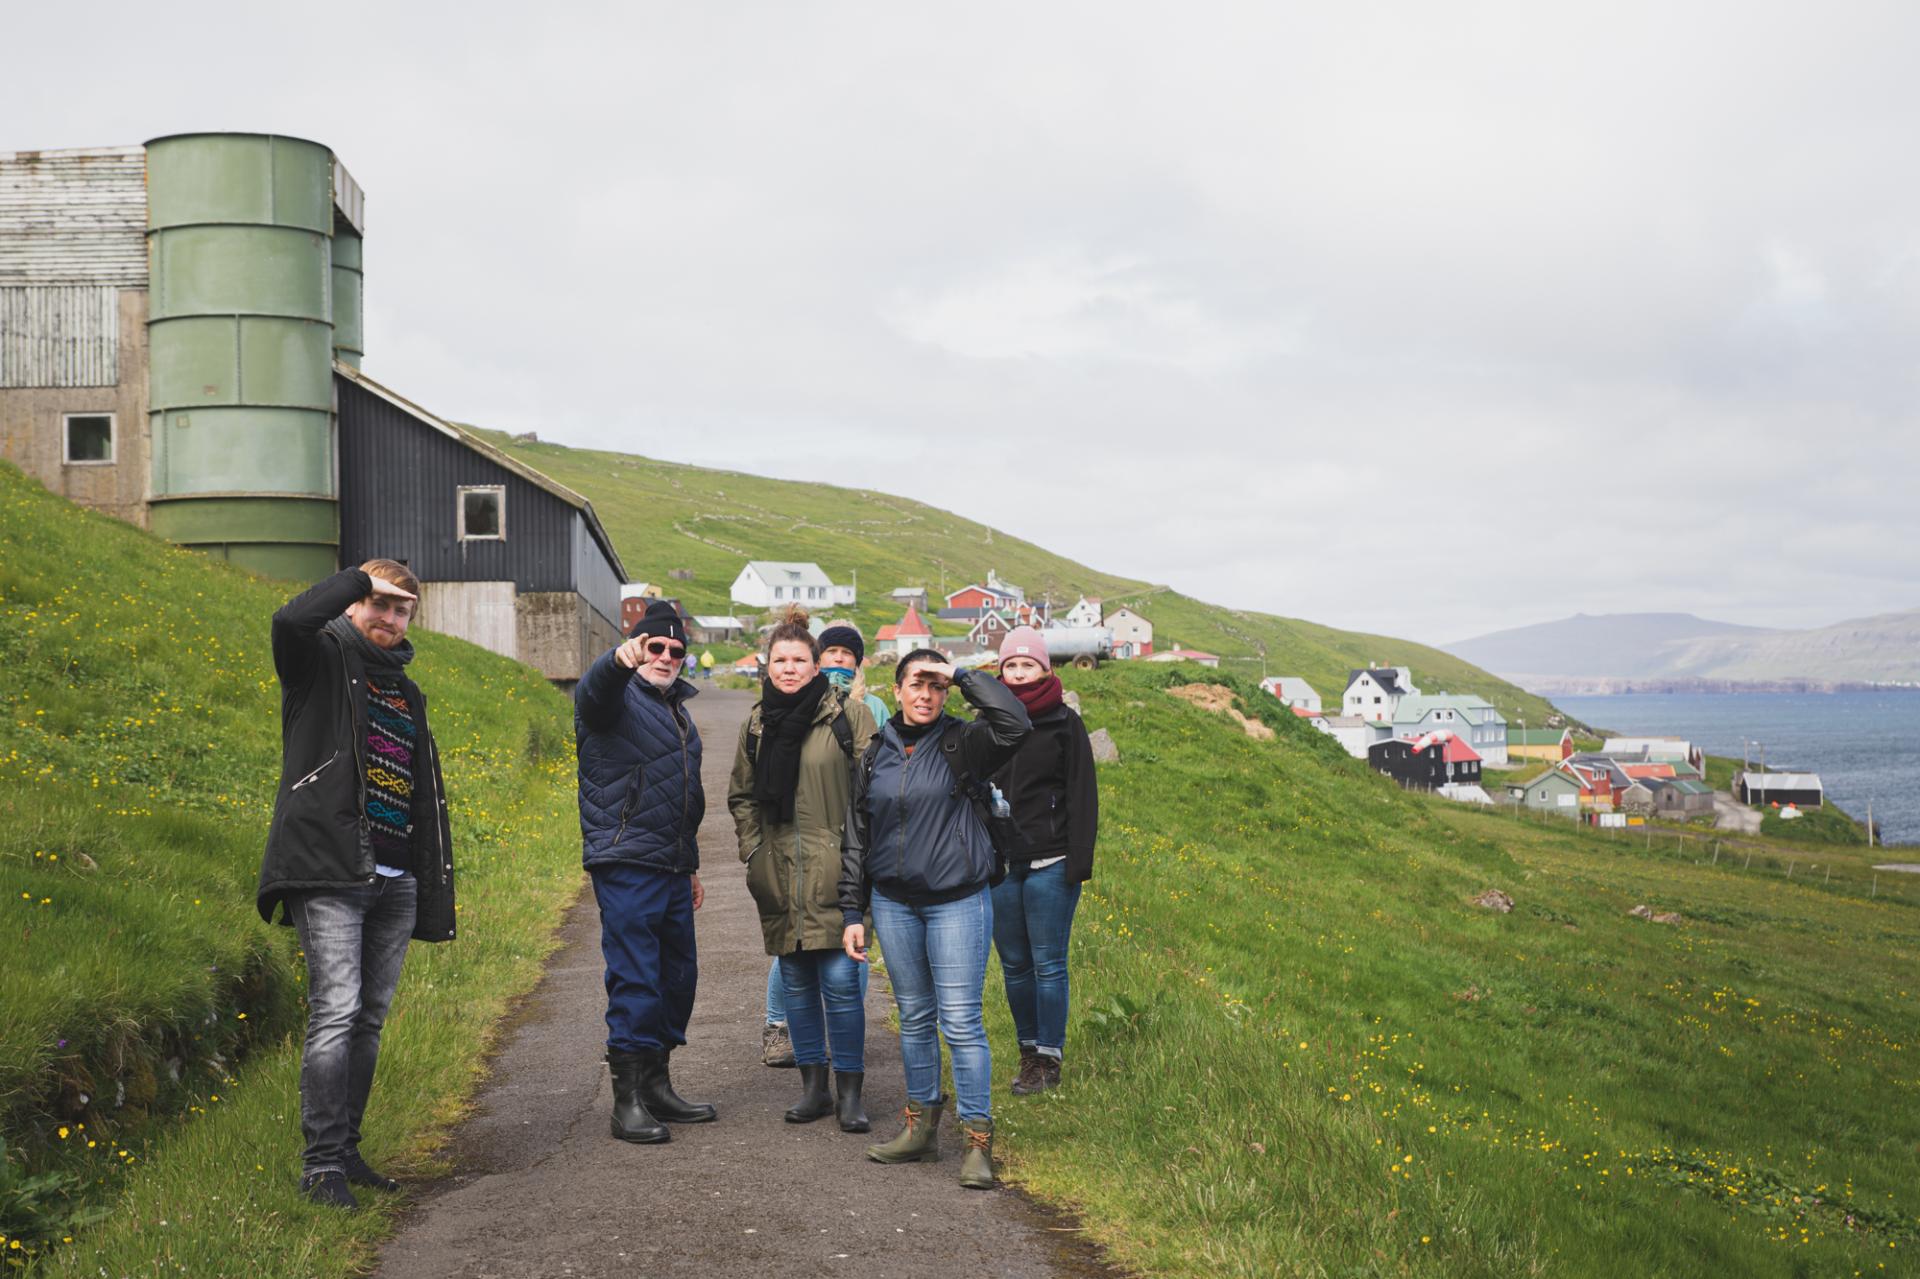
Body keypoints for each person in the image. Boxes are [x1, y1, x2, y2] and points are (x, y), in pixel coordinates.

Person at [255, 561, 456, 1210]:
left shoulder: (406, 690)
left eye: (402, 610)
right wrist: (354, 577)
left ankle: (345, 1150)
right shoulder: (316, 660)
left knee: (367, 1019)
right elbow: (289, 618)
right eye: (378, 603)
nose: (388, 618)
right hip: (331, 867)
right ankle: (319, 1168)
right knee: (336, 1010)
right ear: (350, 603)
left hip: (394, 878)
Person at [840, 649, 1030, 1189]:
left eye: (936, 685)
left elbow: (1016, 723)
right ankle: (920, 1130)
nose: (925, 694)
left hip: (957, 902)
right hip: (896, 905)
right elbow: (857, 837)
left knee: (962, 1022)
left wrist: (964, 675)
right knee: (915, 1018)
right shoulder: (874, 752)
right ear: (895, 690)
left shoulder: (965, 743)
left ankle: (977, 1142)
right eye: (915, 684)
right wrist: (854, 910)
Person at [729, 608, 879, 1131]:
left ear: (817, 665)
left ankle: (851, 1093)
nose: (788, 669)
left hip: (839, 870)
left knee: (841, 981)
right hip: (780, 873)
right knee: (795, 982)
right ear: (767, 666)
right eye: (779, 660)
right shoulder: (756, 722)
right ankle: (812, 1089)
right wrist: (755, 854)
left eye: (799, 660)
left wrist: (859, 856)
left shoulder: (848, 717)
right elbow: (742, 796)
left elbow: (873, 793)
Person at [575, 599, 715, 1144]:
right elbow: (593, 693)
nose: (665, 656)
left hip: (672, 863)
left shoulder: (677, 710)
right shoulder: (616, 698)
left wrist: (692, 866)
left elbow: (684, 795)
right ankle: (626, 1101)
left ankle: (657, 1085)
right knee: (636, 976)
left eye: (676, 650)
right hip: (626, 858)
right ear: (639, 649)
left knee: (678, 977)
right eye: (655, 647)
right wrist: (616, 660)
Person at [759, 622, 885, 1068]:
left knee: (847, 960)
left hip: (845, 853)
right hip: (789, 856)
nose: (836, 661)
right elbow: (743, 795)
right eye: (828, 652)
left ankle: (846, 1054)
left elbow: (875, 777)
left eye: (844, 654)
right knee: (793, 957)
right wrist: (755, 852)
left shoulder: (866, 710)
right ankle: (781, 1030)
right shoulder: (764, 716)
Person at [990, 628, 1098, 1094]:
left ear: (1045, 669)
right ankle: (1028, 1054)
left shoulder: (1064, 722)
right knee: (1014, 965)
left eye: (1026, 665)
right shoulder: (987, 722)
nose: (1018, 674)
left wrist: (1079, 861)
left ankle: (1050, 1059)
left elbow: (1082, 792)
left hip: (1051, 862)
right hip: (998, 864)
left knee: (1048, 964)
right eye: (1009, 666)